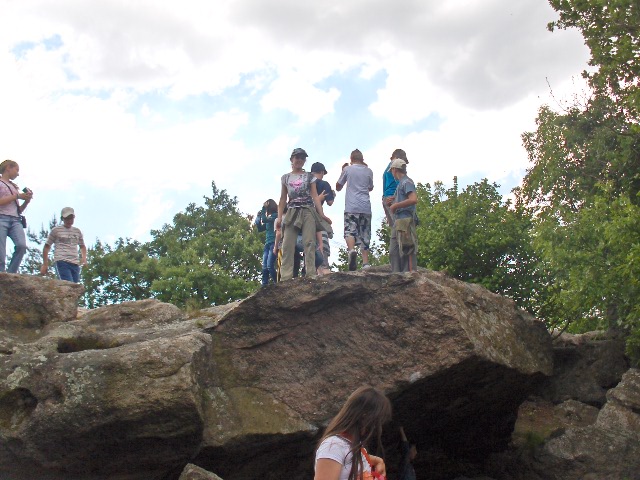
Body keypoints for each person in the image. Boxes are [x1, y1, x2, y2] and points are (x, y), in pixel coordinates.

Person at [277, 148, 332, 281]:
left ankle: (310, 273)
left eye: (302, 158)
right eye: (297, 157)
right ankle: (285, 277)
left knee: (309, 242)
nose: (299, 160)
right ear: (291, 159)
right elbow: (283, 198)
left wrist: (321, 214)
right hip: (292, 210)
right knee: (287, 243)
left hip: (307, 209)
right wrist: (279, 217)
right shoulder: (285, 177)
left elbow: (315, 196)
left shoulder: (309, 176)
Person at [314, 386, 391, 480]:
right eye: (378, 421)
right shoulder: (333, 446)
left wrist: (378, 461)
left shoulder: (353, 445)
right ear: (365, 417)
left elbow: (348, 458)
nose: (378, 427)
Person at [336, 149, 374, 271]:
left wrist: (343, 171)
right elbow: (370, 187)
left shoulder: (348, 169)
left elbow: (338, 186)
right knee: (365, 234)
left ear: (351, 159)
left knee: (350, 231)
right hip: (365, 207)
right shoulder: (369, 171)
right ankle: (365, 263)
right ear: (362, 159)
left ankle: (352, 250)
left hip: (351, 206)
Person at [0, 159, 33, 273]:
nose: (18, 174)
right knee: (1, 253)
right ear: (8, 168)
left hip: (15, 219)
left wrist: (26, 201)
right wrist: (17, 196)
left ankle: (11, 273)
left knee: (21, 246)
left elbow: (19, 210)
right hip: (1, 218)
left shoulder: (14, 186)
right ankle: (1, 275)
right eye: (16, 170)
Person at [385, 159, 418, 272]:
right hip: (398, 221)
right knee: (393, 251)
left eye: (392, 171)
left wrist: (396, 205)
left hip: (405, 220)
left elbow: (413, 199)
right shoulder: (400, 184)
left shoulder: (406, 182)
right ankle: (396, 275)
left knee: (407, 249)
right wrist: (393, 201)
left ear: (395, 170)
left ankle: (409, 274)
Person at [40, 207, 87, 282]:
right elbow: (47, 247)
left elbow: (82, 246)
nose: (69, 221)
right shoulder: (56, 230)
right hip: (61, 261)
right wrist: (45, 264)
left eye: (71, 218)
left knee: (74, 286)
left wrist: (84, 258)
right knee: (67, 284)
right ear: (62, 219)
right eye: (67, 218)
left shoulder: (77, 231)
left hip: (75, 263)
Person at [311, 161, 335, 274]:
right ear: (321, 172)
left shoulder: (305, 182)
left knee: (310, 246)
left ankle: (314, 271)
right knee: (322, 247)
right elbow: (330, 202)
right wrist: (331, 195)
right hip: (318, 219)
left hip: (303, 221)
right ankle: (324, 270)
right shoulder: (324, 184)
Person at [382, 149, 408, 227]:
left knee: (394, 227)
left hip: (387, 198)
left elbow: (384, 186)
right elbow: (400, 183)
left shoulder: (386, 169)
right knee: (401, 225)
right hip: (394, 197)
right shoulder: (395, 167)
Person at [255, 199, 278, 287]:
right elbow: (260, 229)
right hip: (267, 244)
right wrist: (258, 219)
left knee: (269, 265)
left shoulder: (275, 216)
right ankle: (264, 285)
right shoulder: (269, 218)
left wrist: (263, 208)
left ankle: (277, 282)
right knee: (264, 266)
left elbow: (264, 220)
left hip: (273, 243)